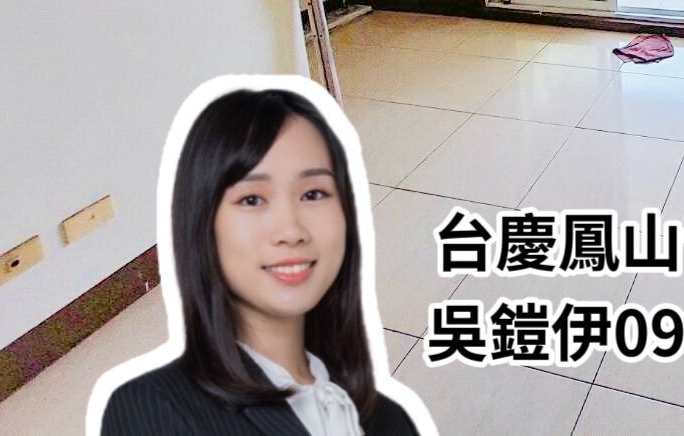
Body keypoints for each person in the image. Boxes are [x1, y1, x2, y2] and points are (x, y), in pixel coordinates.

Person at [96, 83, 432, 435]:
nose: (291, 230)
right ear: (201, 223)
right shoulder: (153, 411)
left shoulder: (390, 418)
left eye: (313, 194)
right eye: (252, 199)